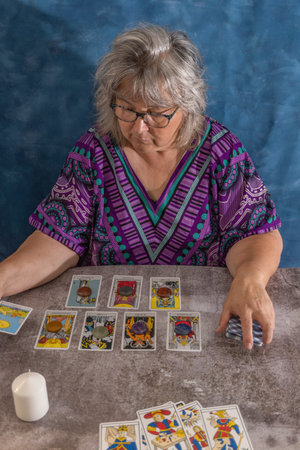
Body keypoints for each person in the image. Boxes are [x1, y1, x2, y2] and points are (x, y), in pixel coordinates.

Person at [0, 24, 282, 350]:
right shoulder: (94, 152)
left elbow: (254, 233)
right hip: (108, 324)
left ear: (188, 105)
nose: (139, 126)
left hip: (201, 323)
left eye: (157, 114)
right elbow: (57, 239)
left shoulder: (221, 151)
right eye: (127, 109)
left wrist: (250, 279)